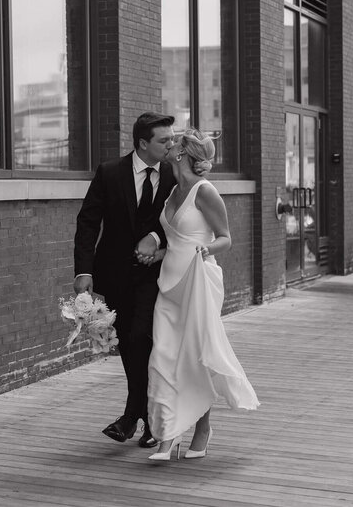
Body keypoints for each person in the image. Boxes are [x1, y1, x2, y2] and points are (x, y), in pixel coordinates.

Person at [146, 128, 259, 461]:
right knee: (164, 357)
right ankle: (167, 435)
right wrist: (160, 253)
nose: (167, 145)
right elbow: (174, 240)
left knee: (195, 357)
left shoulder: (205, 191)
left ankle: (202, 429)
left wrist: (205, 249)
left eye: (173, 142)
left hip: (199, 279)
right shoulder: (172, 192)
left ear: (182, 153)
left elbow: (226, 237)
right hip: (169, 284)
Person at [74, 112, 177, 448]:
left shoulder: (176, 174)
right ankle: (147, 419)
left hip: (156, 275)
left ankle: (131, 417)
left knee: (140, 337)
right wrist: (84, 271)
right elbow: (88, 222)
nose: (170, 144)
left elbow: (181, 222)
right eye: (164, 140)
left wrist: (157, 240)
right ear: (143, 143)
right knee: (129, 347)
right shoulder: (109, 172)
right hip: (115, 274)